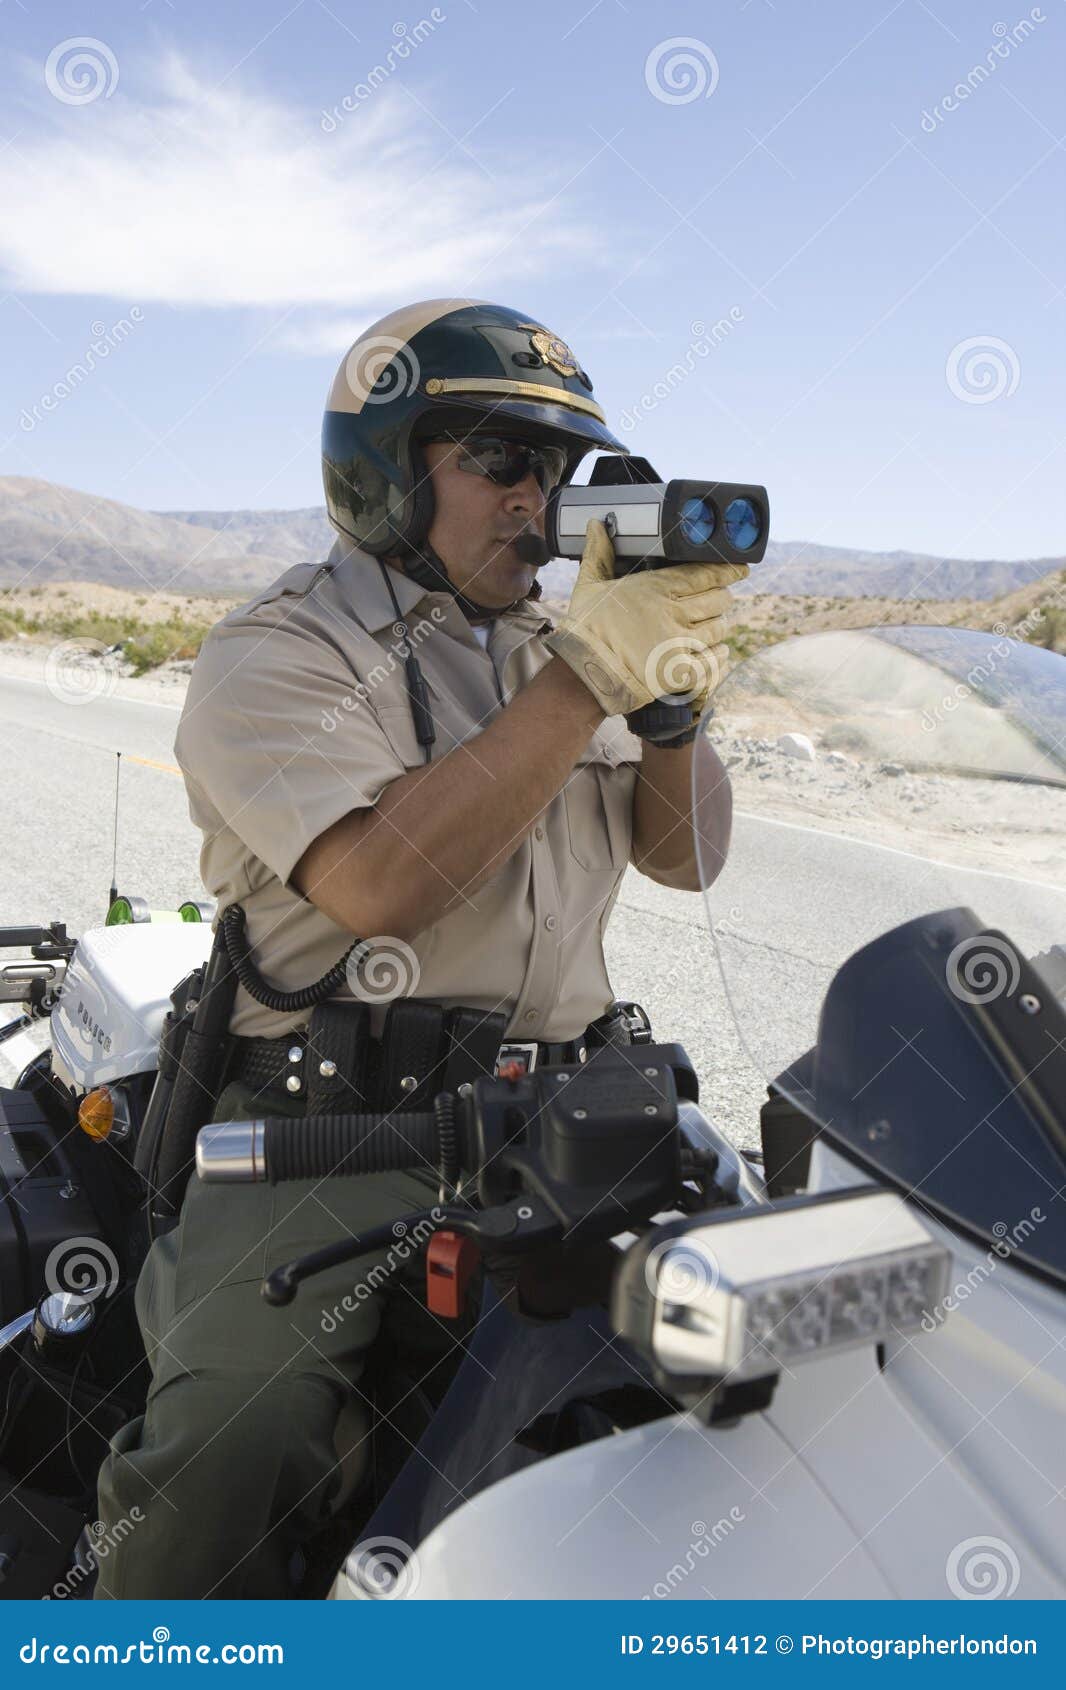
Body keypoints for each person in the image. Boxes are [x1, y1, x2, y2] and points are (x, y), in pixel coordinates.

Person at [93, 298, 746, 1598]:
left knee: (737, 1388)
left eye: (554, 470)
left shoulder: (558, 651)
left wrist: (666, 704)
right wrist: (584, 678)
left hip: (557, 1117)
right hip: (333, 1128)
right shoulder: (281, 649)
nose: (536, 498)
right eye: (500, 460)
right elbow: (380, 882)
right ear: (388, 472)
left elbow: (683, 856)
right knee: (235, 1439)